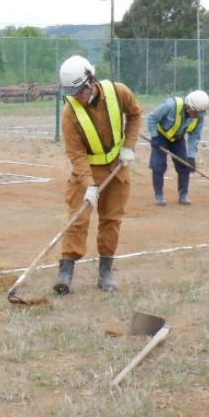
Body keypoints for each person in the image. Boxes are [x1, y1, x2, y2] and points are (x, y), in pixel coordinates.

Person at [55, 55, 144, 293]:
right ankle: (65, 272)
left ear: (90, 81)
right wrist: (89, 184)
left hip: (118, 167)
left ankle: (105, 274)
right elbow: (76, 153)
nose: (77, 98)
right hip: (87, 170)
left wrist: (129, 147)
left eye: (80, 92)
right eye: (72, 93)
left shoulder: (119, 92)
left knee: (111, 220)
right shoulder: (69, 113)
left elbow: (135, 115)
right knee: (78, 218)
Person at [145, 90, 209, 205]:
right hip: (161, 137)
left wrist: (191, 157)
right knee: (158, 165)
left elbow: (194, 137)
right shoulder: (170, 106)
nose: (198, 116)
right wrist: (154, 137)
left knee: (185, 165)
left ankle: (183, 195)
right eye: (197, 112)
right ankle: (159, 195)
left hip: (177, 139)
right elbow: (152, 118)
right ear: (189, 107)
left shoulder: (199, 117)